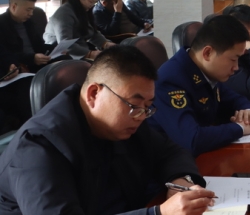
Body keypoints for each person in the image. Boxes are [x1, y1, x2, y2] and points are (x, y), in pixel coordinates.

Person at [0, 46, 215, 215]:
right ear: (94, 94)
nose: (141, 116)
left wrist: (180, 181)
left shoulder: (125, 120)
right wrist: (159, 213)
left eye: (148, 106)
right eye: (134, 105)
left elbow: (170, 151)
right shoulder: (37, 147)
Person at [149, 16, 250, 156]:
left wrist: (248, 111)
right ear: (208, 53)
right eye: (233, 59)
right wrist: (240, 128)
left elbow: (235, 98)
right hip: (168, 161)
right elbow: (192, 139)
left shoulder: (204, 71)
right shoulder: (170, 80)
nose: (236, 67)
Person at [44, 0, 113, 60]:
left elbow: (91, 33)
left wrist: (106, 44)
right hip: (59, 53)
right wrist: (89, 54)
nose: (92, 5)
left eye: (94, 2)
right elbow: (65, 43)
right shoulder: (64, 13)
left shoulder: (83, 10)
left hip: (79, 50)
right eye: (90, 2)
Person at [0, 0, 50, 72]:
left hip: (39, 62)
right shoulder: (2, 24)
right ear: (14, 7)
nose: (31, 13)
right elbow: (5, 56)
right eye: (28, 10)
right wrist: (32, 58)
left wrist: (56, 48)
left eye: (32, 9)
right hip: (20, 67)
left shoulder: (29, 22)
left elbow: (40, 45)